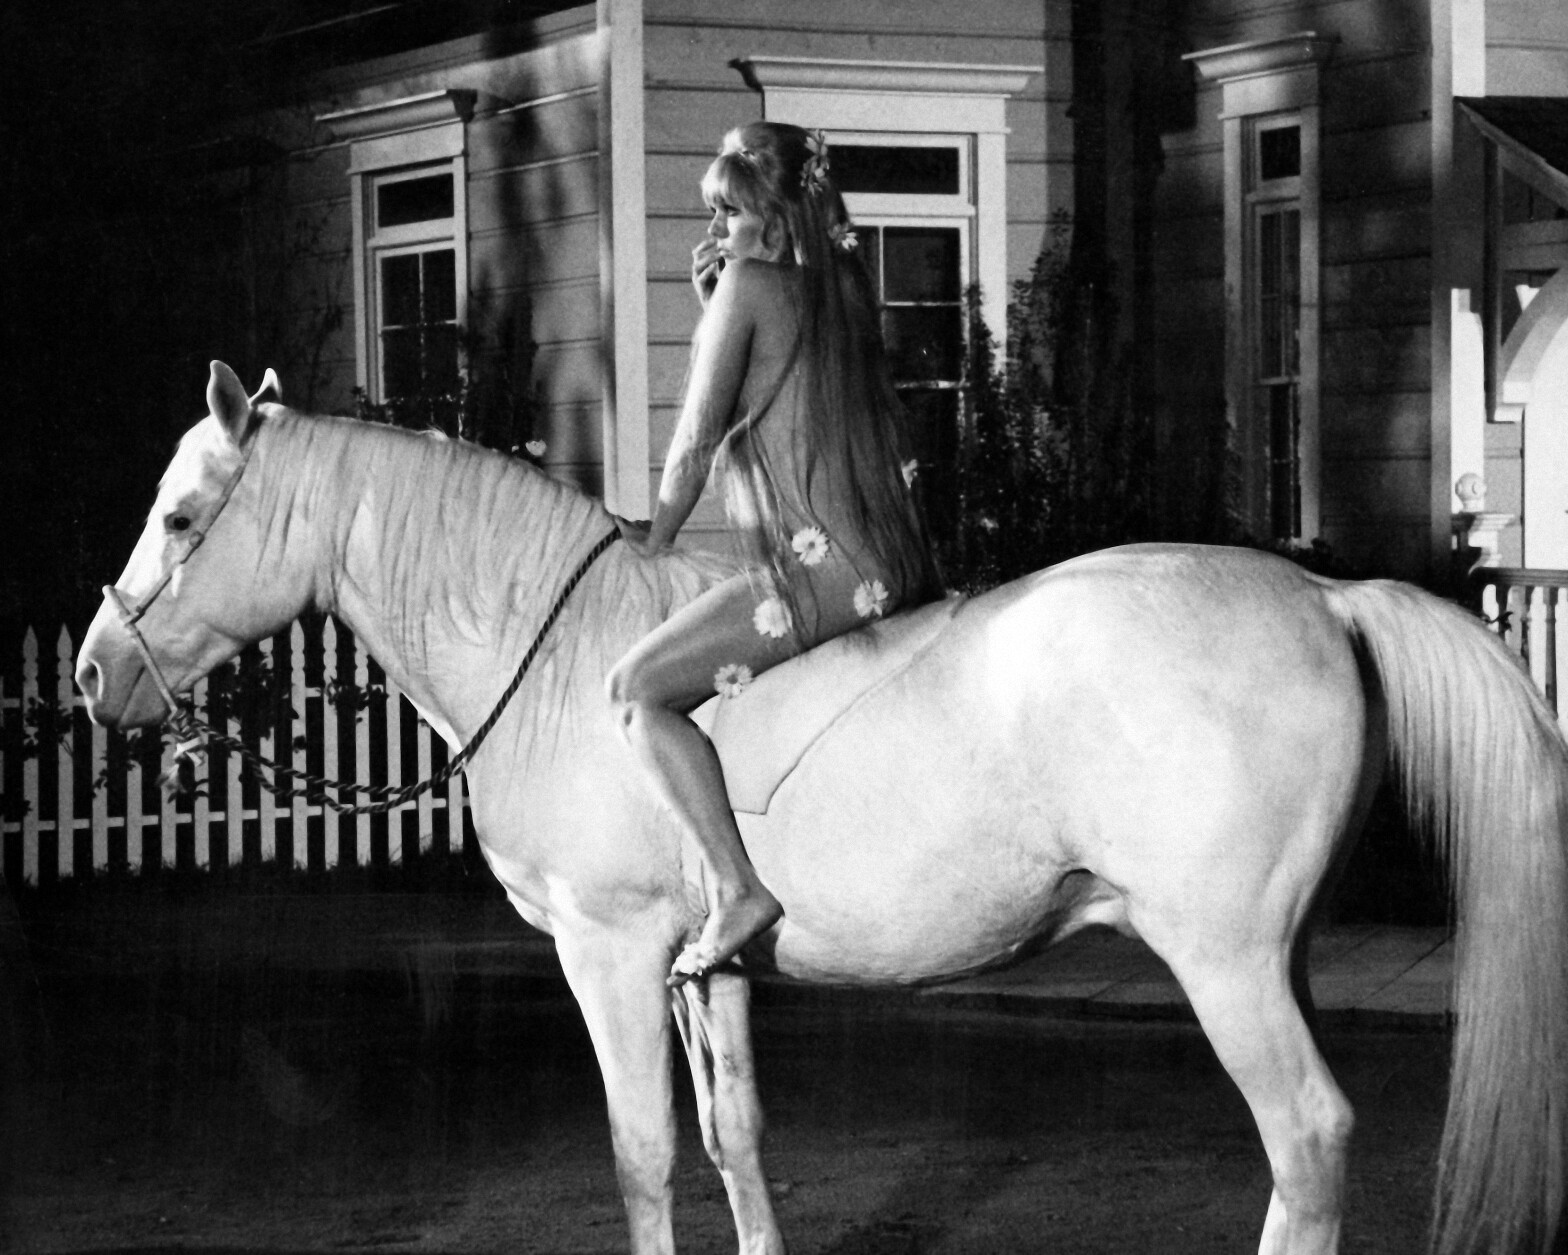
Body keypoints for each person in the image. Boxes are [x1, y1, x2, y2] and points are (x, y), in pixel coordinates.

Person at [606, 121, 942, 986]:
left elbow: (695, 440)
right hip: (881, 563)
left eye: (730, 211)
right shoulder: (843, 291)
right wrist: (710, 310)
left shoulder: (750, 286)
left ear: (779, 218)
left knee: (635, 689)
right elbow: (778, 391)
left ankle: (735, 885)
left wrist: (656, 538)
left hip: (818, 572)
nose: (715, 230)